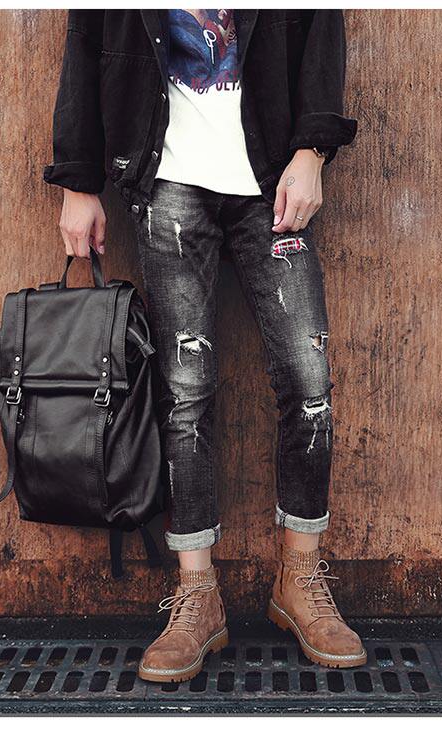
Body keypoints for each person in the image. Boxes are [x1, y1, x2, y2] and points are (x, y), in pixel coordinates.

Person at [44, 9, 367, 682]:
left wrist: (312, 152)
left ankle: (300, 581)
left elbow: (319, 30)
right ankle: (198, 595)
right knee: (185, 394)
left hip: (272, 181)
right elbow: (85, 44)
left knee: (308, 383)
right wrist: (79, 182)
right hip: (168, 185)